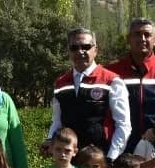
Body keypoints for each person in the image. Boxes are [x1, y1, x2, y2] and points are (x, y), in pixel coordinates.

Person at [43, 28, 131, 159]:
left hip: (100, 161)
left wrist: (111, 158)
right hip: (69, 160)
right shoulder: (60, 83)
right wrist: (50, 140)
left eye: (86, 47)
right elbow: (57, 121)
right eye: (74, 47)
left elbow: (123, 124)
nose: (80, 51)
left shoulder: (111, 81)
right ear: (68, 51)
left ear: (95, 50)